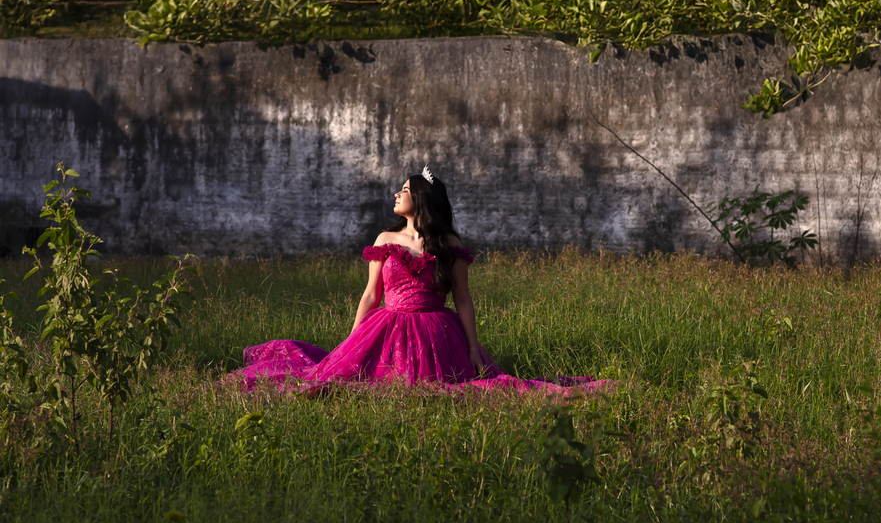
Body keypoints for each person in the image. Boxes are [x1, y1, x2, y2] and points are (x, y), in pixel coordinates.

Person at [234, 167, 604, 394]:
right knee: (341, 379)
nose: (396, 194)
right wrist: (349, 341)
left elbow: (463, 301)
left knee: (444, 386)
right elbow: (370, 295)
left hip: (436, 328)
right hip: (387, 322)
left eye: (405, 190)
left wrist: (474, 349)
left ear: (422, 199)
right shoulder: (385, 240)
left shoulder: (449, 245)